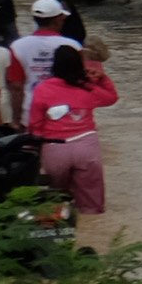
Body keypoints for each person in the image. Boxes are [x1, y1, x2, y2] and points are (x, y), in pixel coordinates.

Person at [26, 43, 119, 221]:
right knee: (91, 206)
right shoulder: (88, 88)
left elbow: (35, 123)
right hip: (87, 147)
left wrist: (33, 146)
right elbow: (112, 98)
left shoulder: (43, 89)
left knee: (56, 201)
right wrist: (101, 76)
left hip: (55, 148)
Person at [8, 0, 78, 127]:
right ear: (57, 20)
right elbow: (81, 82)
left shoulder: (18, 46)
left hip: (30, 115)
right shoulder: (73, 46)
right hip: (66, 114)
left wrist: (16, 119)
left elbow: (16, 88)